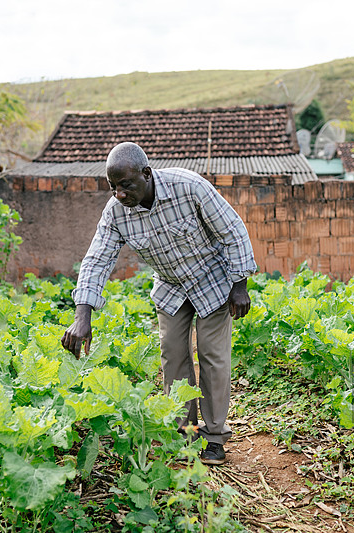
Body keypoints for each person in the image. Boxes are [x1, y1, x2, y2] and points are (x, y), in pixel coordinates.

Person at [60, 142, 257, 465]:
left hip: (214, 280)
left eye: (126, 185)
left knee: (213, 357)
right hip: (171, 287)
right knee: (174, 358)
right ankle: (186, 434)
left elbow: (233, 230)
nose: (119, 194)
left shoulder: (189, 187)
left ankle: (215, 436)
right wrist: (83, 316)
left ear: (147, 174)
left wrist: (240, 285)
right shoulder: (116, 212)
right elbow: (97, 260)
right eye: (113, 187)